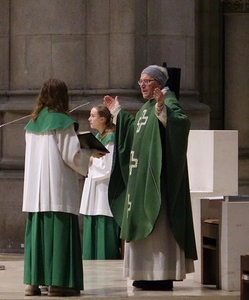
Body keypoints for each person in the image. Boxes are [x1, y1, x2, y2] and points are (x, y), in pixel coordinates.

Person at [103, 65, 197, 291]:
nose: (142, 85)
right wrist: (118, 112)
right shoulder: (146, 107)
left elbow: (181, 124)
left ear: (159, 83)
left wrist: (163, 110)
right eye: (140, 81)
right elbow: (134, 130)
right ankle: (144, 273)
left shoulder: (169, 102)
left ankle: (162, 274)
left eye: (146, 81)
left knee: (159, 229)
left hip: (159, 185)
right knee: (142, 229)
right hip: (141, 182)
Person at [22, 78, 105, 297]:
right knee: (59, 233)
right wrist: (90, 154)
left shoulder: (32, 123)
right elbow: (72, 155)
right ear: (63, 96)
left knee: (38, 235)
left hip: (36, 192)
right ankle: (59, 283)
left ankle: (33, 283)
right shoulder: (63, 122)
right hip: (56, 189)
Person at [80, 105, 121, 260]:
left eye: (92, 116)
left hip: (104, 187)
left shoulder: (110, 138)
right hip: (93, 185)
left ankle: (105, 258)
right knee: (92, 216)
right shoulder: (97, 137)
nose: (89, 119)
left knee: (102, 219)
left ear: (102, 119)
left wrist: (89, 158)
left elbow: (107, 167)